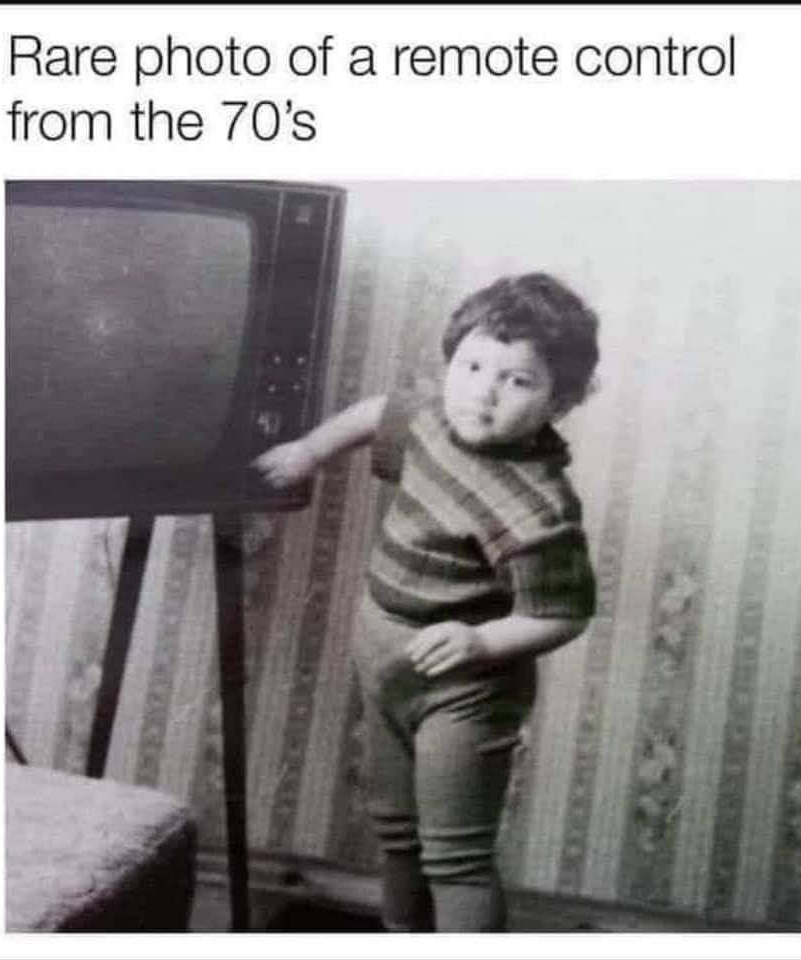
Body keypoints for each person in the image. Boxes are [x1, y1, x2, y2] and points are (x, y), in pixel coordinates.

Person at [252, 273, 599, 932]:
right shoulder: (432, 421)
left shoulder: (539, 506)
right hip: (383, 657)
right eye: (471, 366)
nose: (483, 391)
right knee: (397, 830)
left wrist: (480, 641)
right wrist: (308, 452)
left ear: (563, 399)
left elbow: (563, 612)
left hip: (464, 690)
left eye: (518, 380)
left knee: (456, 857)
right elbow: (375, 412)